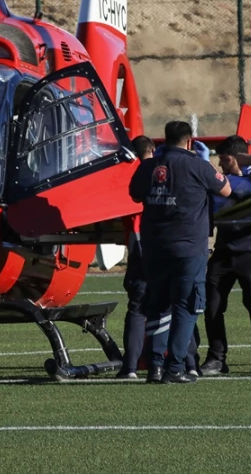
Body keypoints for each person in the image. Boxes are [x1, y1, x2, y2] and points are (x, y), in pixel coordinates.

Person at [129, 121, 231, 384]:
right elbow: (226, 190)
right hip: (188, 248)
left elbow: (135, 194)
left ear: (164, 140)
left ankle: (155, 366)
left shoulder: (150, 166)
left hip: (154, 248)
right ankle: (175, 367)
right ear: (189, 141)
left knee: (157, 306)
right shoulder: (198, 166)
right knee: (186, 307)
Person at [199, 136, 251, 375]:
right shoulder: (226, 180)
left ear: (237, 158)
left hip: (250, 252)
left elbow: (241, 187)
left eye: (224, 159)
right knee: (212, 306)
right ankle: (216, 358)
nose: (221, 165)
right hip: (223, 252)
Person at [117, 135, 155, 380]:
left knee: (137, 308)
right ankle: (178, 362)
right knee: (172, 307)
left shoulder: (128, 176)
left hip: (137, 245)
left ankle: (130, 365)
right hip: (160, 245)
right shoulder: (164, 172)